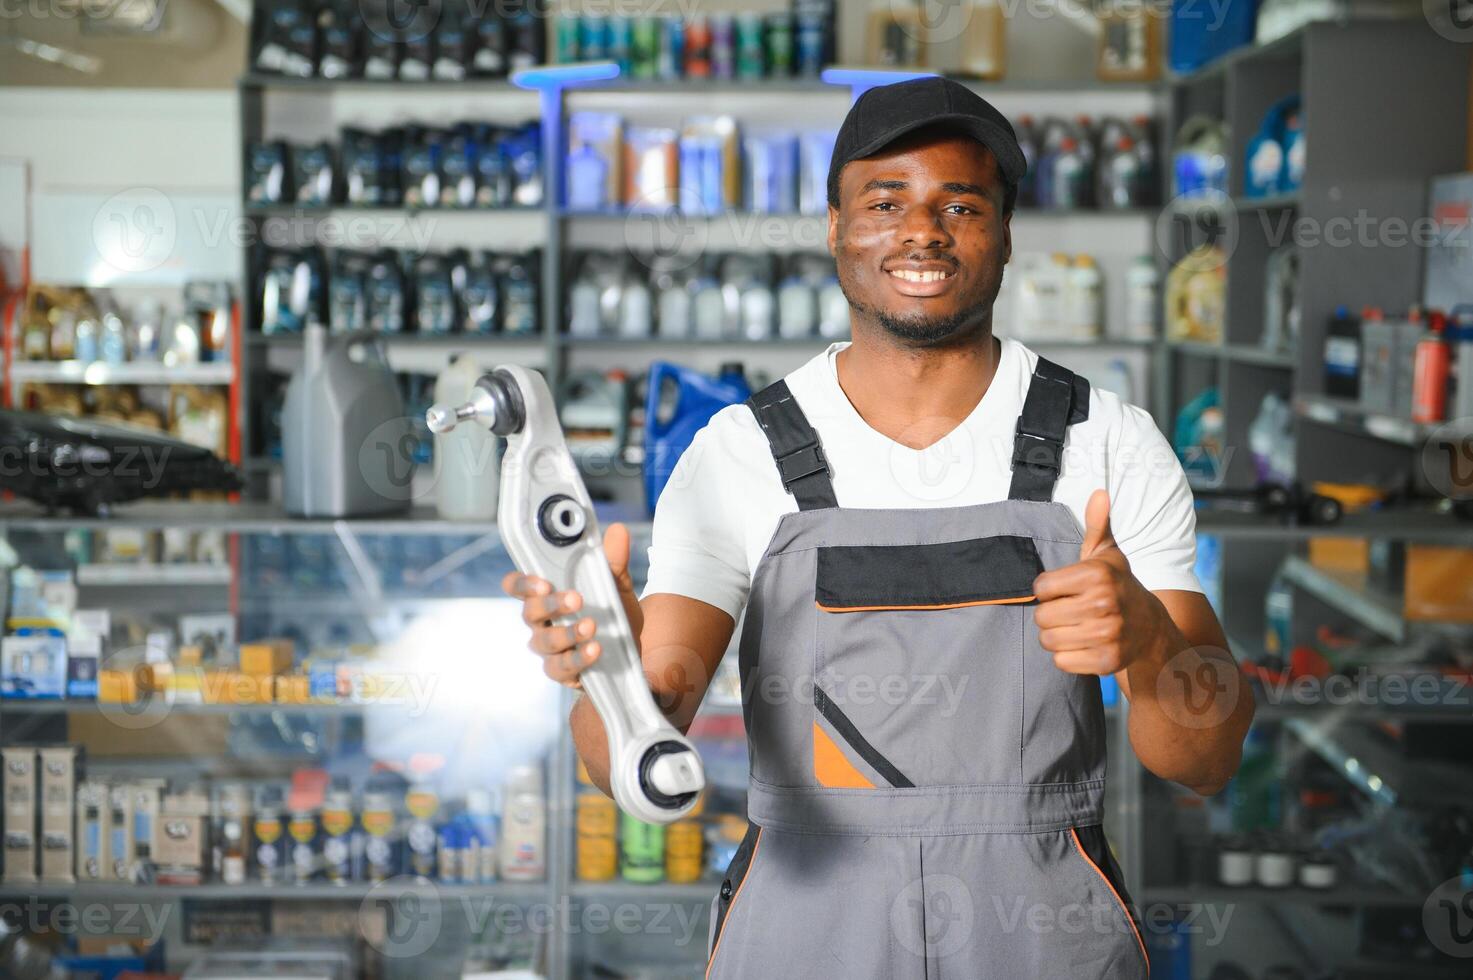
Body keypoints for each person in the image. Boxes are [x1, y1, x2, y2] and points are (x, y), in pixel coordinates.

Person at [504, 77, 1254, 979]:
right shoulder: (739, 453)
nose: (922, 231)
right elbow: (620, 761)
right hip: (804, 923)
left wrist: (1145, 643)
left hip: (1039, 929)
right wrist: (607, 672)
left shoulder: (1110, 444)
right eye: (884, 201)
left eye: (961, 204)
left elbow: (1205, 762)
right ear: (834, 227)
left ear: (1005, 234)